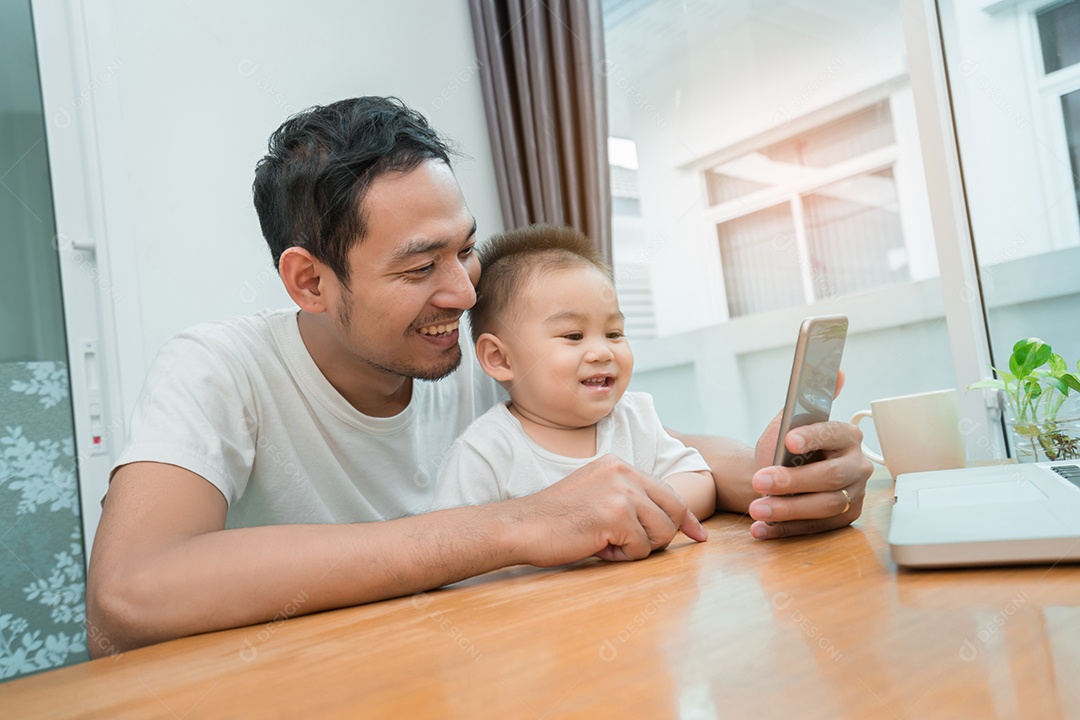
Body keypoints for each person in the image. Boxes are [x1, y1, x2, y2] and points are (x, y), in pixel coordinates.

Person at [87, 96, 872, 655]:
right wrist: (508, 524)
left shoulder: (465, 352)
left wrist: (780, 475)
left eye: (463, 248)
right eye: (420, 266)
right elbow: (127, 596)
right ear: (309, 282)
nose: (464, 293)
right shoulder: (221, 369)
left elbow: (626, 452)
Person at [433, 225, 716, 523]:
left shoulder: (634, 417)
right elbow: (452, 542)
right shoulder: (484, 452)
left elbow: (699, 478)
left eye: (614, 333)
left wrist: (643, 512)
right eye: (574, 336)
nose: (603, 352)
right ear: (500, 358)